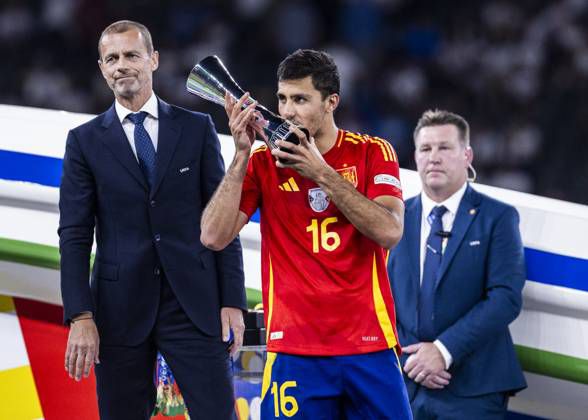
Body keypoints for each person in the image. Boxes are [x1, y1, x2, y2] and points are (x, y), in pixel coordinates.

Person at [200, 49, 412, 419]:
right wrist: (240, 154)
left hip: (368, 343)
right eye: (282, 99)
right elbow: (212, 237)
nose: (286, 111)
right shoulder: (263, 163)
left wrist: (321, 172)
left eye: (300, 100)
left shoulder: (372, 152)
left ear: (331, 102)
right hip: (294, 349)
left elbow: (390, 231)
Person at [58, 20, 246, 419]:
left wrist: (232, 300)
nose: (121, 65)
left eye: (131, 55)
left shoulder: (196, 128)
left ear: (153, 60)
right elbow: (74, 235)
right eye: (112, 58)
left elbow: (224, 219)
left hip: (194, 304)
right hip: (118, 311)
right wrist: (80, 315)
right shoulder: (84, 142)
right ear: (102, 69)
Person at [387, 109, 527, 419]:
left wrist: (443, 350)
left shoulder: (498, 218)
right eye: (426, 148)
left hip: (473, 388)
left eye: (445, 147)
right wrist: (411, 359)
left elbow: (505, 298)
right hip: (404, 381)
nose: (434, 157)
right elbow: (377, 295)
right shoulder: (394, 218)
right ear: (415, 157)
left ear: (467, 156)